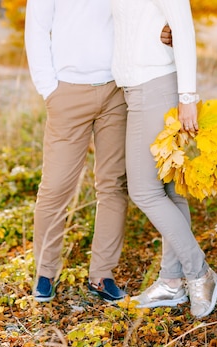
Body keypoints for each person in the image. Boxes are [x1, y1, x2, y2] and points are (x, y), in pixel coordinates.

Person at [24, 1, 173, 303]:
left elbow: (140, 15)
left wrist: (167, 29)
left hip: (116, 89)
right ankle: (45, 272)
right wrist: (48, 89)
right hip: (66, 93)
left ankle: (102, 274)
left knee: (113, 184)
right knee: (55, 187)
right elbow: (36, 30)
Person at [110, 0, 217, 318]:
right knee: (170, 191)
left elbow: (183, 28)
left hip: (156, 86)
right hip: (137, 89)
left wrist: (188, 96)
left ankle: (200, 273)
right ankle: (172, 282)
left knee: (144, 191)